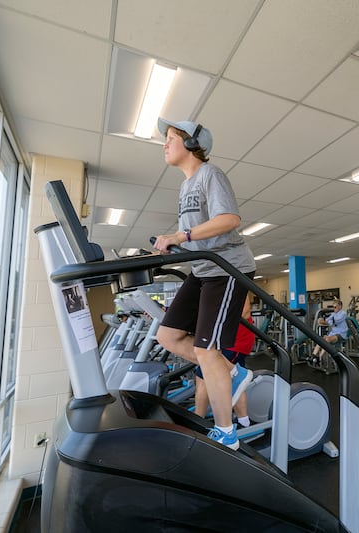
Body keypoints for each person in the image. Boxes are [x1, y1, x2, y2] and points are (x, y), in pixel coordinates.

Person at [152, 119, 256, 450]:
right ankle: (233, 373)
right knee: (167, 336)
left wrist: (181, 236)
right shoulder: (185, 186)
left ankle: (227, 433)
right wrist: (172, 243)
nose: (165, 144)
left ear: (191, 144)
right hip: (203, 269)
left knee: (205, 350)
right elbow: (196, 236)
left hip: (227, 268)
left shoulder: (211, 175)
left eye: (171, 138)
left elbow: (229, 220)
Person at [194, 295, 255, 429]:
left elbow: (244, 312)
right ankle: (244, 422)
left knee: (203, 376)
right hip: (223, 342)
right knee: (234, 380)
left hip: (235, 342)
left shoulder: (236, 284)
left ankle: (197, 422)